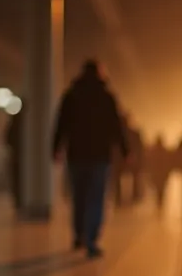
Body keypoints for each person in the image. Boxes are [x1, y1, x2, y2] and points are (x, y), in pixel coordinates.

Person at [52, 60, 127, 258]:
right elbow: (116, 126)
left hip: (76, 155)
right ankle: (92, 240)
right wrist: (125, 151)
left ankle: (79, 235)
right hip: (100, 155)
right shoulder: (107, 97)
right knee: (96, 198)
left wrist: (56, 148)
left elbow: (61, 124)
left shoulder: (71, 96)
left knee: (79, 197)